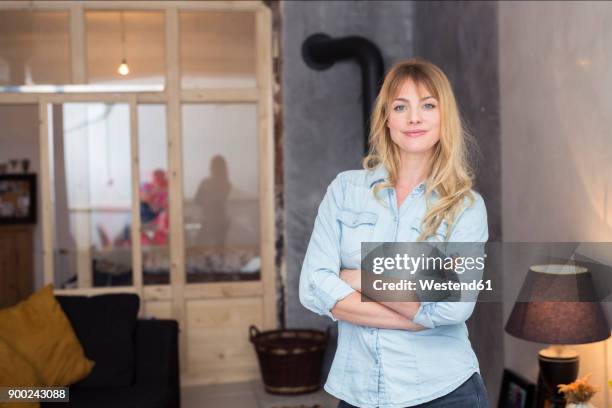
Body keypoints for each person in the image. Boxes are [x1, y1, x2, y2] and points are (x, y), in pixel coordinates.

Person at [299, 58, 490, 408]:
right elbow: (312, 287)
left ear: (444, 117)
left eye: (428, 105)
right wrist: (416, 317)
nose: (414, 118)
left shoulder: (466, 206)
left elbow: (452, 309)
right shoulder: (345, 190)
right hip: (357, 393)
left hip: (444, 393)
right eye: (401, 106)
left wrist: (355, 277)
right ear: (387, 119)